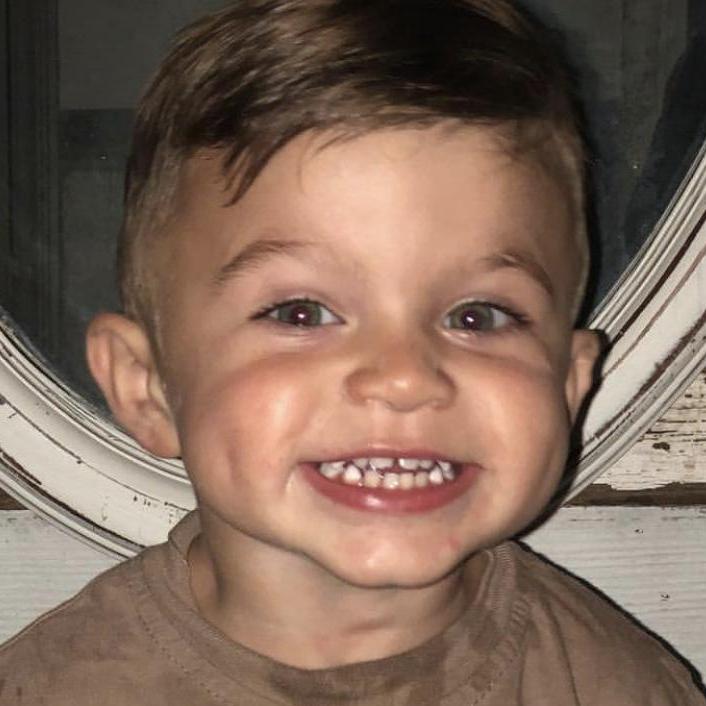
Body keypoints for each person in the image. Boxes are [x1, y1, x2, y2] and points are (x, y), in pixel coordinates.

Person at [1, 1, 704, 703]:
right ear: (148, 387)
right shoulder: (54, 690)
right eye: (301, 312)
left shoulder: (620, 689)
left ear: (569, 387)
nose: (403, 377)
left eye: (478, 316)